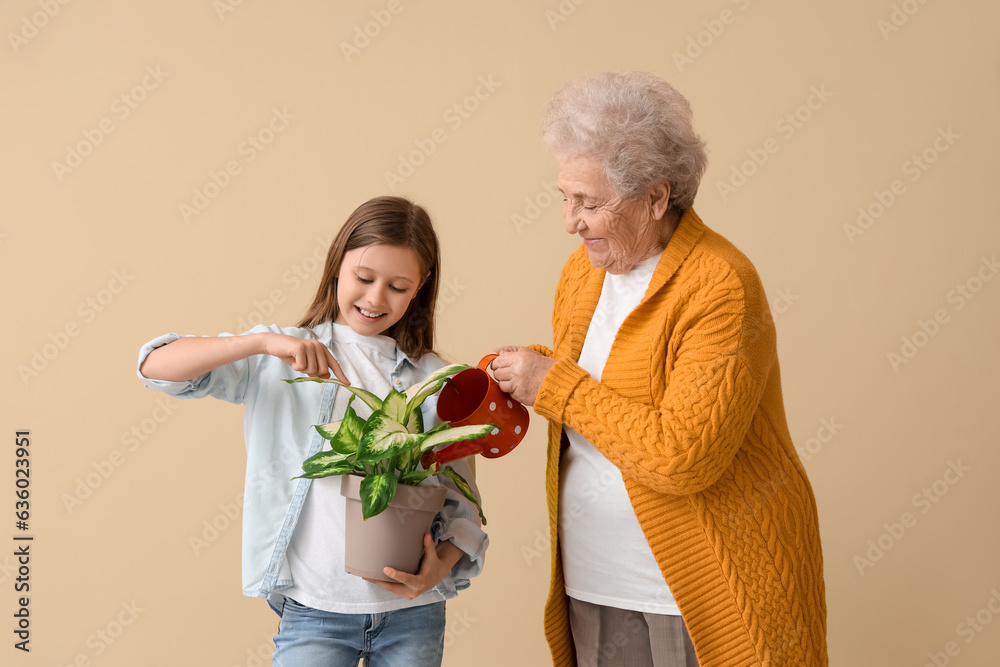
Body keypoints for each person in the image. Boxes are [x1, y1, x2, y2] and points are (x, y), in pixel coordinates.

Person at [490, 72, 828, 666]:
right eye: (564, 198)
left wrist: (555, 386)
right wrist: (529, 375)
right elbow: (596, 397)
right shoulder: (582, 272)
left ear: (655, 197)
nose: (570, 222)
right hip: (595, 581)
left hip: (699, 589)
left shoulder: (720, 283)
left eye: (589, 203)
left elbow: (683, 455)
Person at [137, 196, 487, 666]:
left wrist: (437, 570)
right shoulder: (280, 355)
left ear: (420, 288)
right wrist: (261, 341)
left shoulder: (435, 380)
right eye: (364, 278)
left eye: (398, 286)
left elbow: (462, 502)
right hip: (314, 611)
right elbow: (156, 366)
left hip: (414, 614)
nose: (375, 298)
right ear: (337, 265)